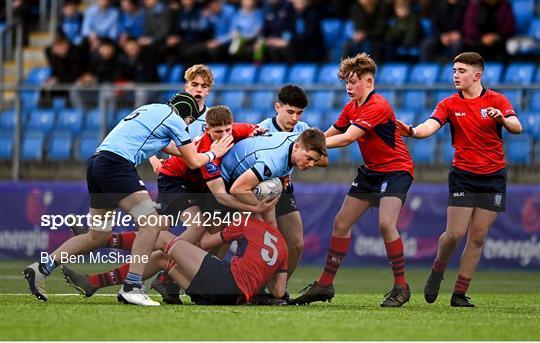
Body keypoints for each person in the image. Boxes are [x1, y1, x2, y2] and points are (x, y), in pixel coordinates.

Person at [23, 92, 234, 306]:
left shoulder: (152, 109)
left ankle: (40, 269)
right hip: (117, 165)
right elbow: (192, 160)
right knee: (152, 225)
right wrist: (212, 153)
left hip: (97, 163)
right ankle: (132, 286)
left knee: (96, 236)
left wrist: (196, 152)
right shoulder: (176, 120)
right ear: (187, 117)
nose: (187, 126)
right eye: (189, 122)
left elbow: (166, 146)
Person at [61, 106, 278, 304]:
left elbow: (255, 130)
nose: (223, 136)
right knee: (184, 232)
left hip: (199, 188)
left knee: (169, 237)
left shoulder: (237, 132)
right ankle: (137, 266)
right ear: (207, 129)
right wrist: (255, 208)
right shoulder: (207, 152)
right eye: (217, 132)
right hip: (175, 182)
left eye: (227, 131)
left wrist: (259, 134)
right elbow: (220, 195)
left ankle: (100, 265)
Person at [395, 52, 522, 307]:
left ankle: (459, 293)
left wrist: (503, 119)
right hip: (463, 175)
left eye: (461, 71)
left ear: (477, 75)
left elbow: (517, 126)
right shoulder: (449, 104)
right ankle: (438, 270)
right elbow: (430, 126)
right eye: (454, 70)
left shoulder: (497, 100)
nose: (455, 75)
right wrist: (411, 131)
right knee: (454, 234)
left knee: (478, 236)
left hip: (494, 177)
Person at [293, 53, 414, 307]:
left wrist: (309, 147)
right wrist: (308, 147)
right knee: (341, 223)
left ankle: (401, 287)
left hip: (396, 170)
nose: (348, 87)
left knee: (385, 224)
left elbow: (347, 138)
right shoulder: (352, 107)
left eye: (353, 81)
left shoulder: (377, 105)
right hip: (371, 171)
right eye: (346, 82)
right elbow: (328, 135)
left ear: (369, 81)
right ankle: (325, 285)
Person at [63, 214, 288, 305]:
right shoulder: (283, 244)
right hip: (230, 298)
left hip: (226, 280)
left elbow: (207, 242)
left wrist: (221, 224)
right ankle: (93, 283)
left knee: (161, 237)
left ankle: (97, 240)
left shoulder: (247, 223)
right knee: (163, 259)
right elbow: (278, 291)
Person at [258, 85, 328, 280]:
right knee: (265, 243)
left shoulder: (303, 130)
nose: (295, 118)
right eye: (290, 112)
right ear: (277, 107)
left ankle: (279, 287)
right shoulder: (263, 130)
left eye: (299, 113)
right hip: (262, 190)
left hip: (285, 190)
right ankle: (255, 287)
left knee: (296, 243)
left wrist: (300, 160)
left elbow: (324, 159)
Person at [221, 128, 327, 230]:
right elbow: (237, 189)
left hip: (247, 175)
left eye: (315, 161)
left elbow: (328, 154)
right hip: (225, 180)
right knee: (260, 226)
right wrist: (259, 209)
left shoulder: (299, 139)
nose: (312, 164)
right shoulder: (272, 163)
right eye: (309, 158)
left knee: (271, 227)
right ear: (297, 147)